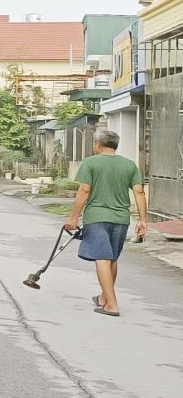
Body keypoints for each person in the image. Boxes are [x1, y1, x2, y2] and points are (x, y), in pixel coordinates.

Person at [63, 129, 148, 317]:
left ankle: (112, 304)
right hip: (121, 219)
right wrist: (143, 220)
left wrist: (73, 218)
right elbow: (139, 192)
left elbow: (85, 190)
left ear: (98, 145)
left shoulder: (91, 162)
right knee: (111, 258)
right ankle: (104, 297)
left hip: (97, 217)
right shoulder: (129, 165)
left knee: (102, 257)